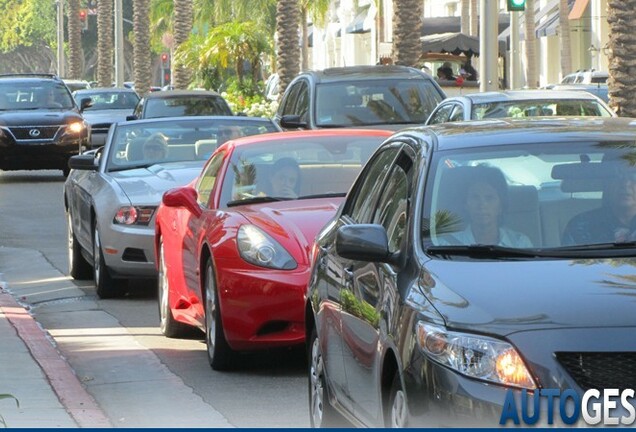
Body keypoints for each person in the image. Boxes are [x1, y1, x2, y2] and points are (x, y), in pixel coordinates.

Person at [439, 167, 533, 247]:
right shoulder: (446, 244)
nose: (482, 205)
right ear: (466, 204)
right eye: (475, 197)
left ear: (501, 205)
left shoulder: (520, 244)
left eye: (489, 198)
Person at [562, 162, 636, 245]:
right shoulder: (580, 226)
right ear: (606, 184)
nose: (626, 184)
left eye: (633, 176)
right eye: (617, 177)